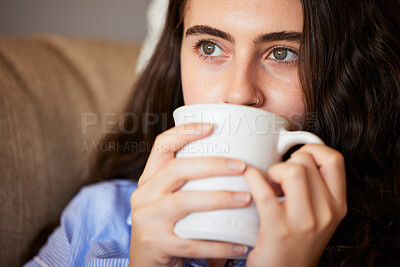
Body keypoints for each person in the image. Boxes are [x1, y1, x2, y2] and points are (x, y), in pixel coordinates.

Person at [25, 0, 400, 266]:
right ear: (178, 58)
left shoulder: (382, 239)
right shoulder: (96, 215)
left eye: (283, 53)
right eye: (210, 47)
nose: (238, 93)